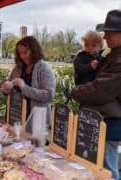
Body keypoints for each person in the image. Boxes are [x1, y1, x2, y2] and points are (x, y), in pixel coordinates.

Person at [70, 9, 121, 180]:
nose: (105, 37)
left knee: (107, 169)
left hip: (110, 123)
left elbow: (100, 90)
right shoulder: (114, 55)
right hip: (102, 120)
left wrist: (75, 91)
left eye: (109, 32)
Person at [0, 36, 56, 140]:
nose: (23, 56)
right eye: (20, 53)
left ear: (34, 51)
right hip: (16, 120)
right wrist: (5, 89)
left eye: (25, 52)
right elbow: (7, 92)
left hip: (36, 124)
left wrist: (24, 87)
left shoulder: (44, 68)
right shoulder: (18, 68)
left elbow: (48, 95)